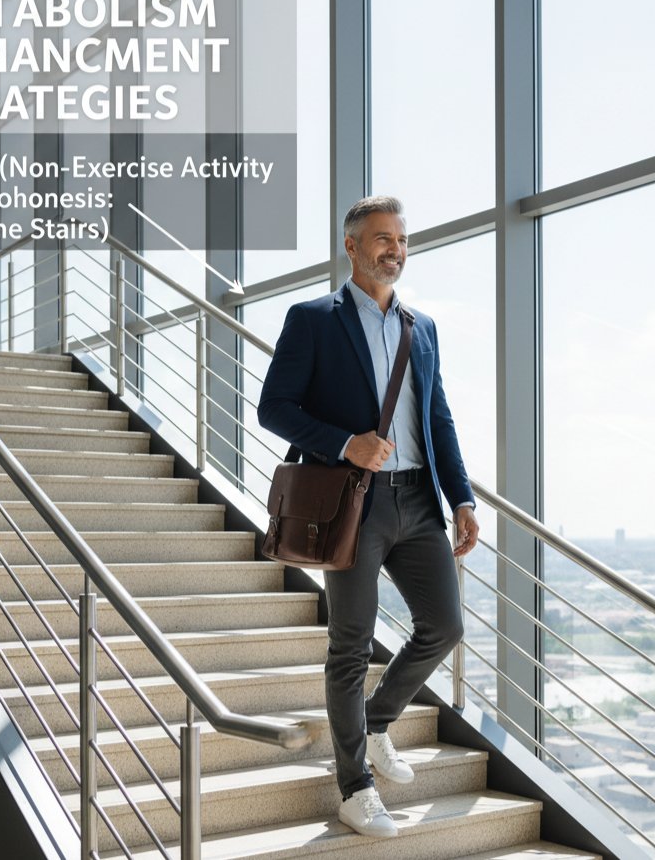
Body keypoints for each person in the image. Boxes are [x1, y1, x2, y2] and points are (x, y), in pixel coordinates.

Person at [258, 195, 479, 838]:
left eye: (402, 240)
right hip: (352, 504)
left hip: (419, 500)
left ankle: (376, 723)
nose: (395, 250)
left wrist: (461, 497)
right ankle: (354, 786)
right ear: (351, 247)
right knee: (349, 645)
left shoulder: (421, 327)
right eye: (382, 239)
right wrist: (344, 442)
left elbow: (437, 419)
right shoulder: (313, 319)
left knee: (443, 624)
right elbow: (274, 409)